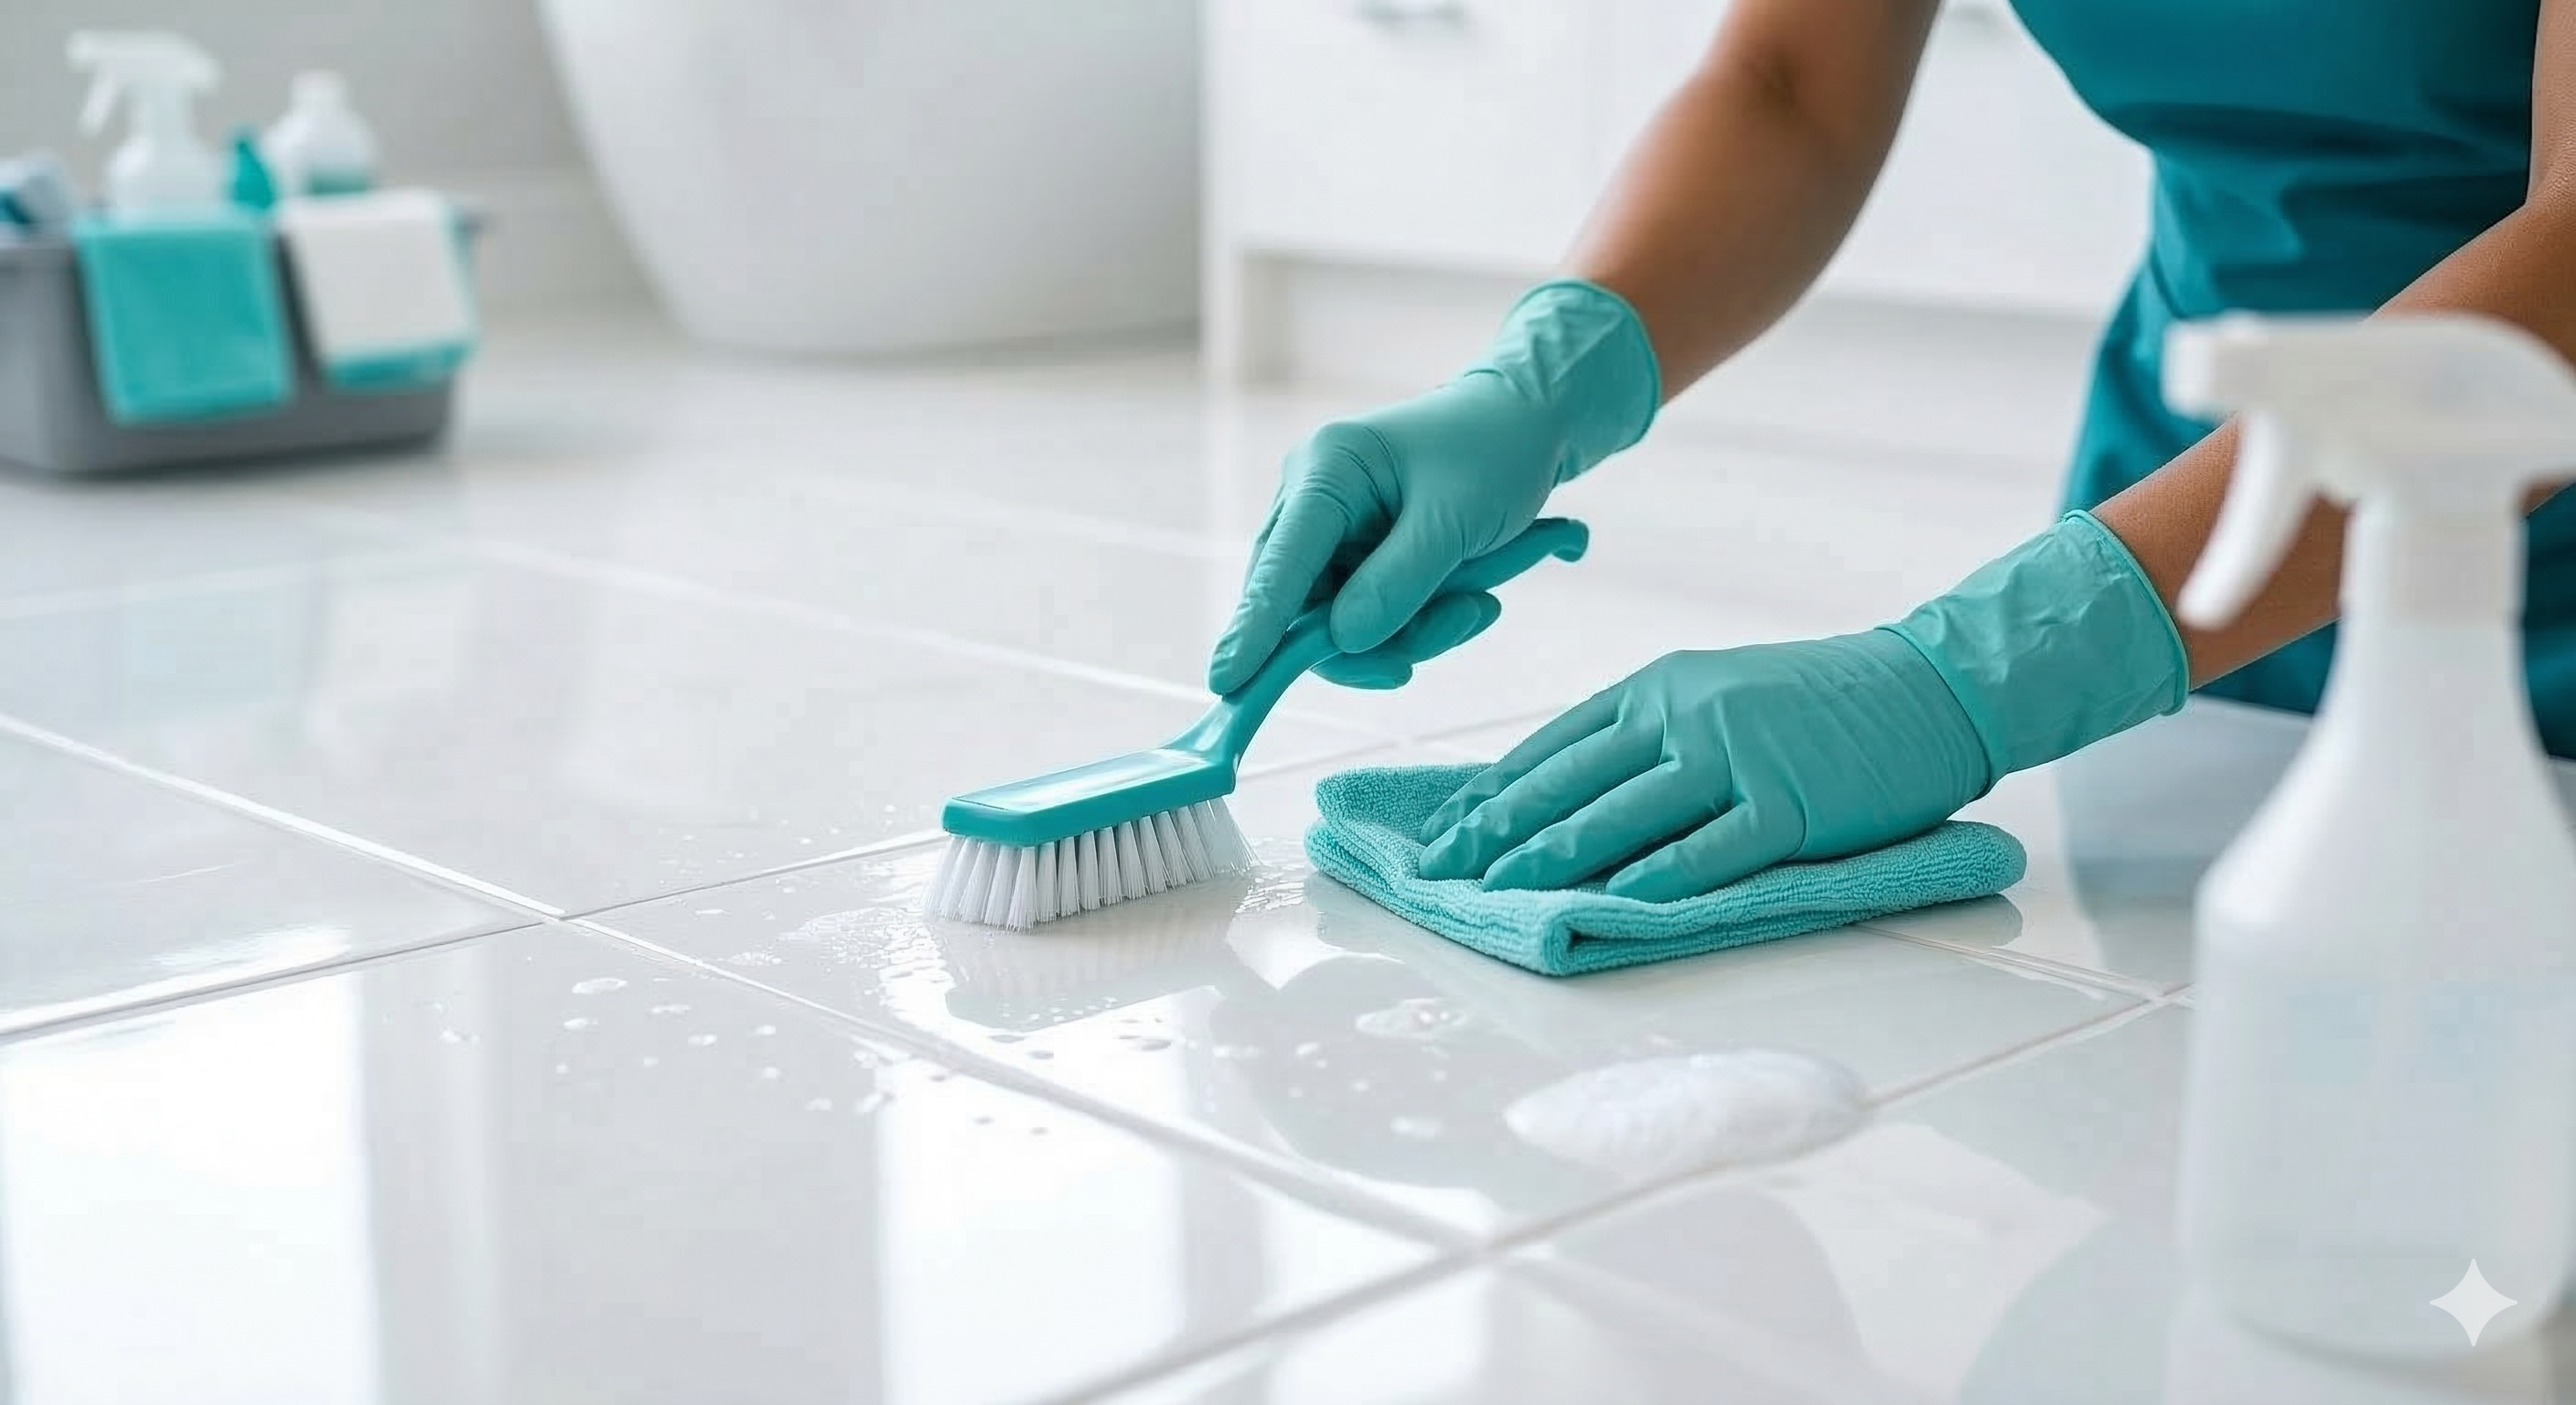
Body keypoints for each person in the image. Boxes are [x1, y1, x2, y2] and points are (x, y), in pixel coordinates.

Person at [1208, 0, 2576, 904]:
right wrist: (1536, 384)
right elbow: (1791, 82)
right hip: (2183, 512)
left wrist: (1987, 668)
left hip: (2510, 538)